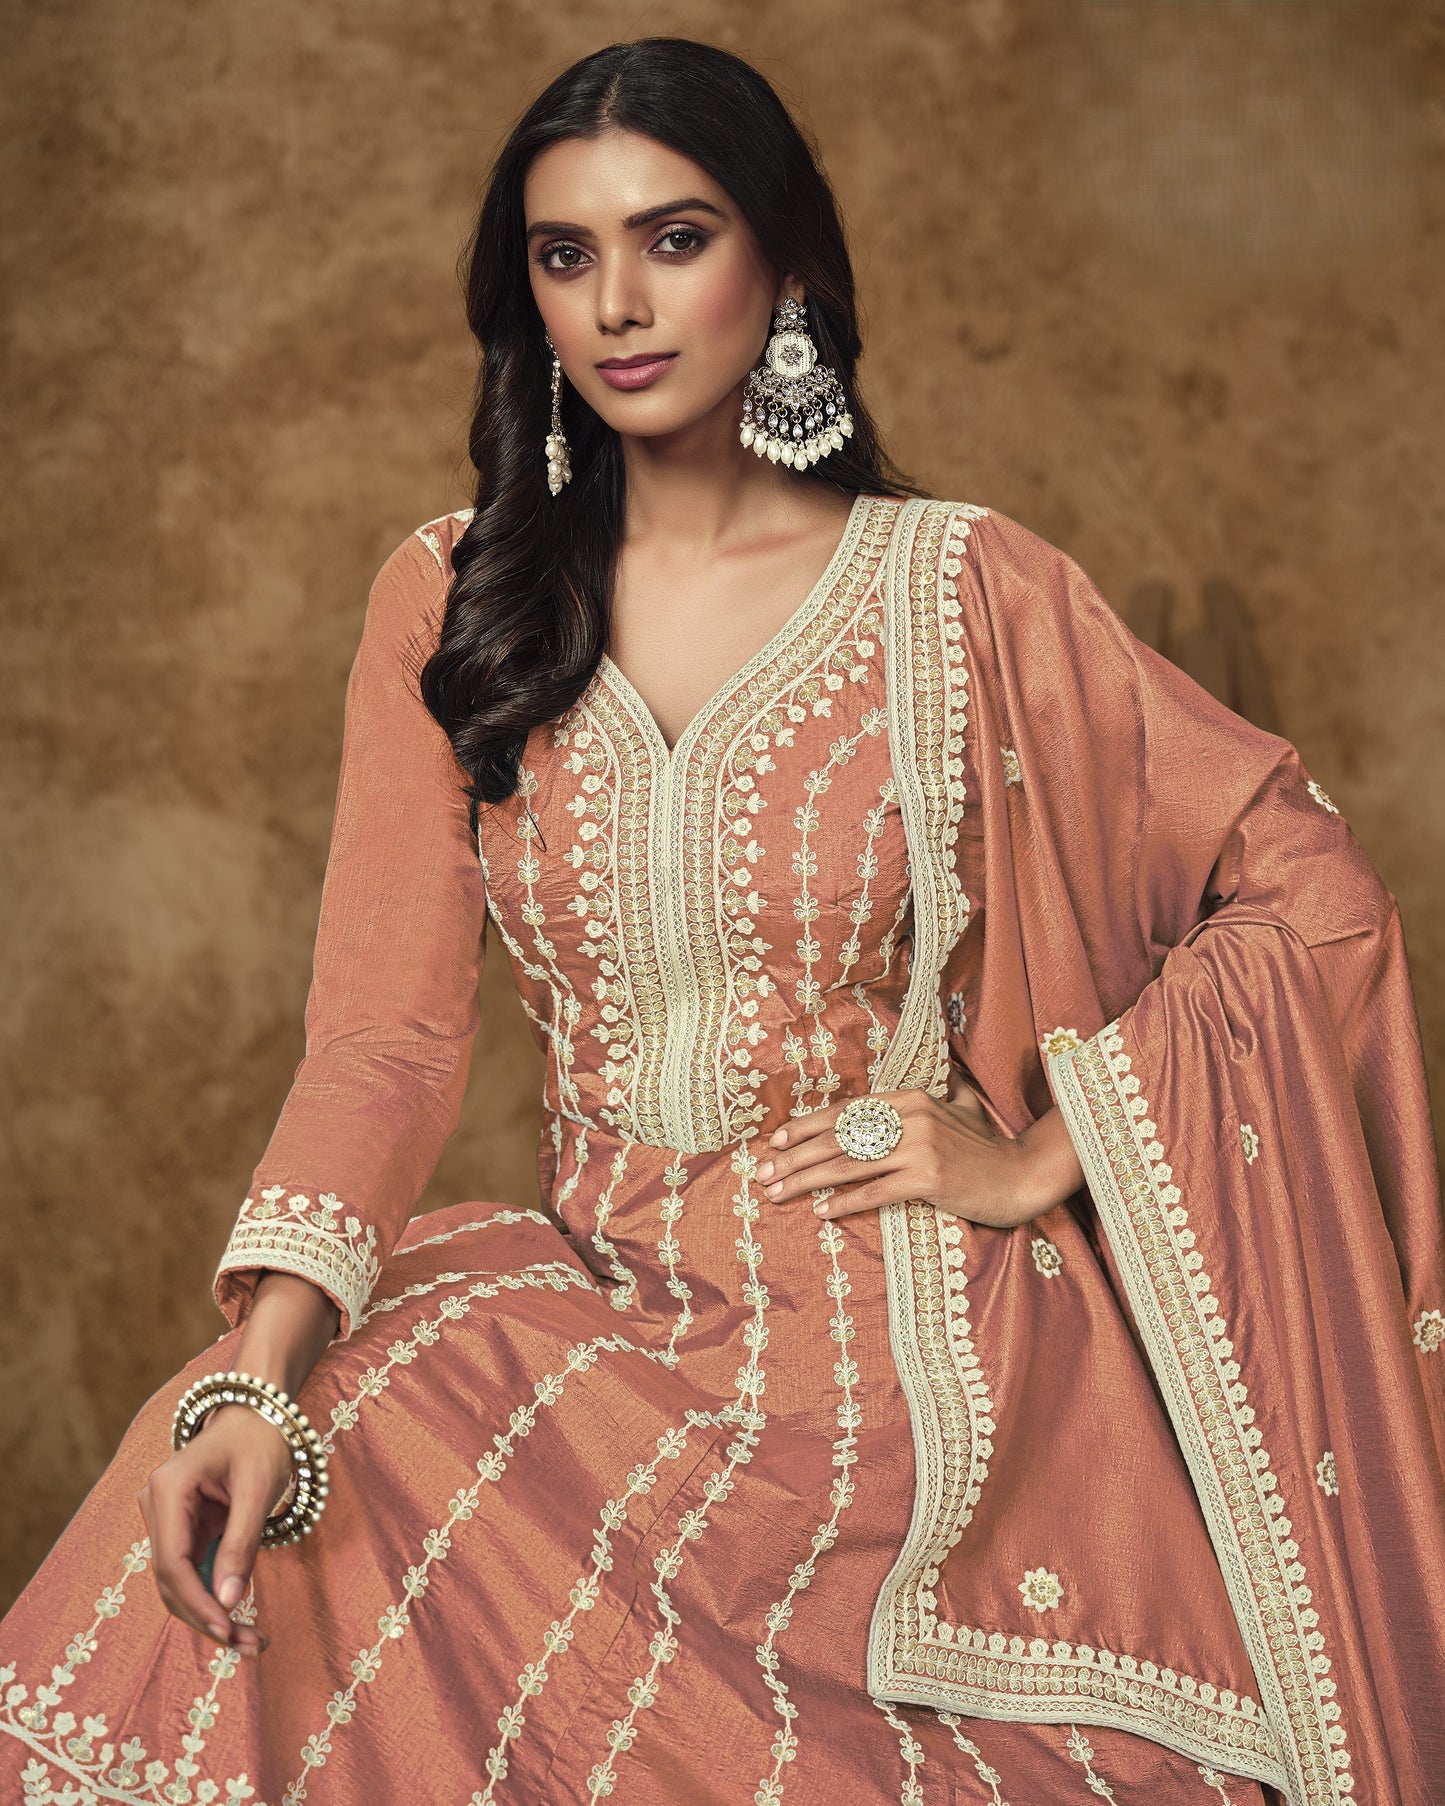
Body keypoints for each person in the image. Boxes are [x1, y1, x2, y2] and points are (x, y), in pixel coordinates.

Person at [3, 35, 1442, 1806]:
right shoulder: (455, 600)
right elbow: (385, 1038)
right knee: (269, 1499)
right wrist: (257, 1377)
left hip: (918, 1369)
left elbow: (1311, 893)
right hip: (595, 1323)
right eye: (565, 253)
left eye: (672, 239)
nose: (616, 302)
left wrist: (1040, 1153)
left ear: (785, 265)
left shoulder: (960, 591)